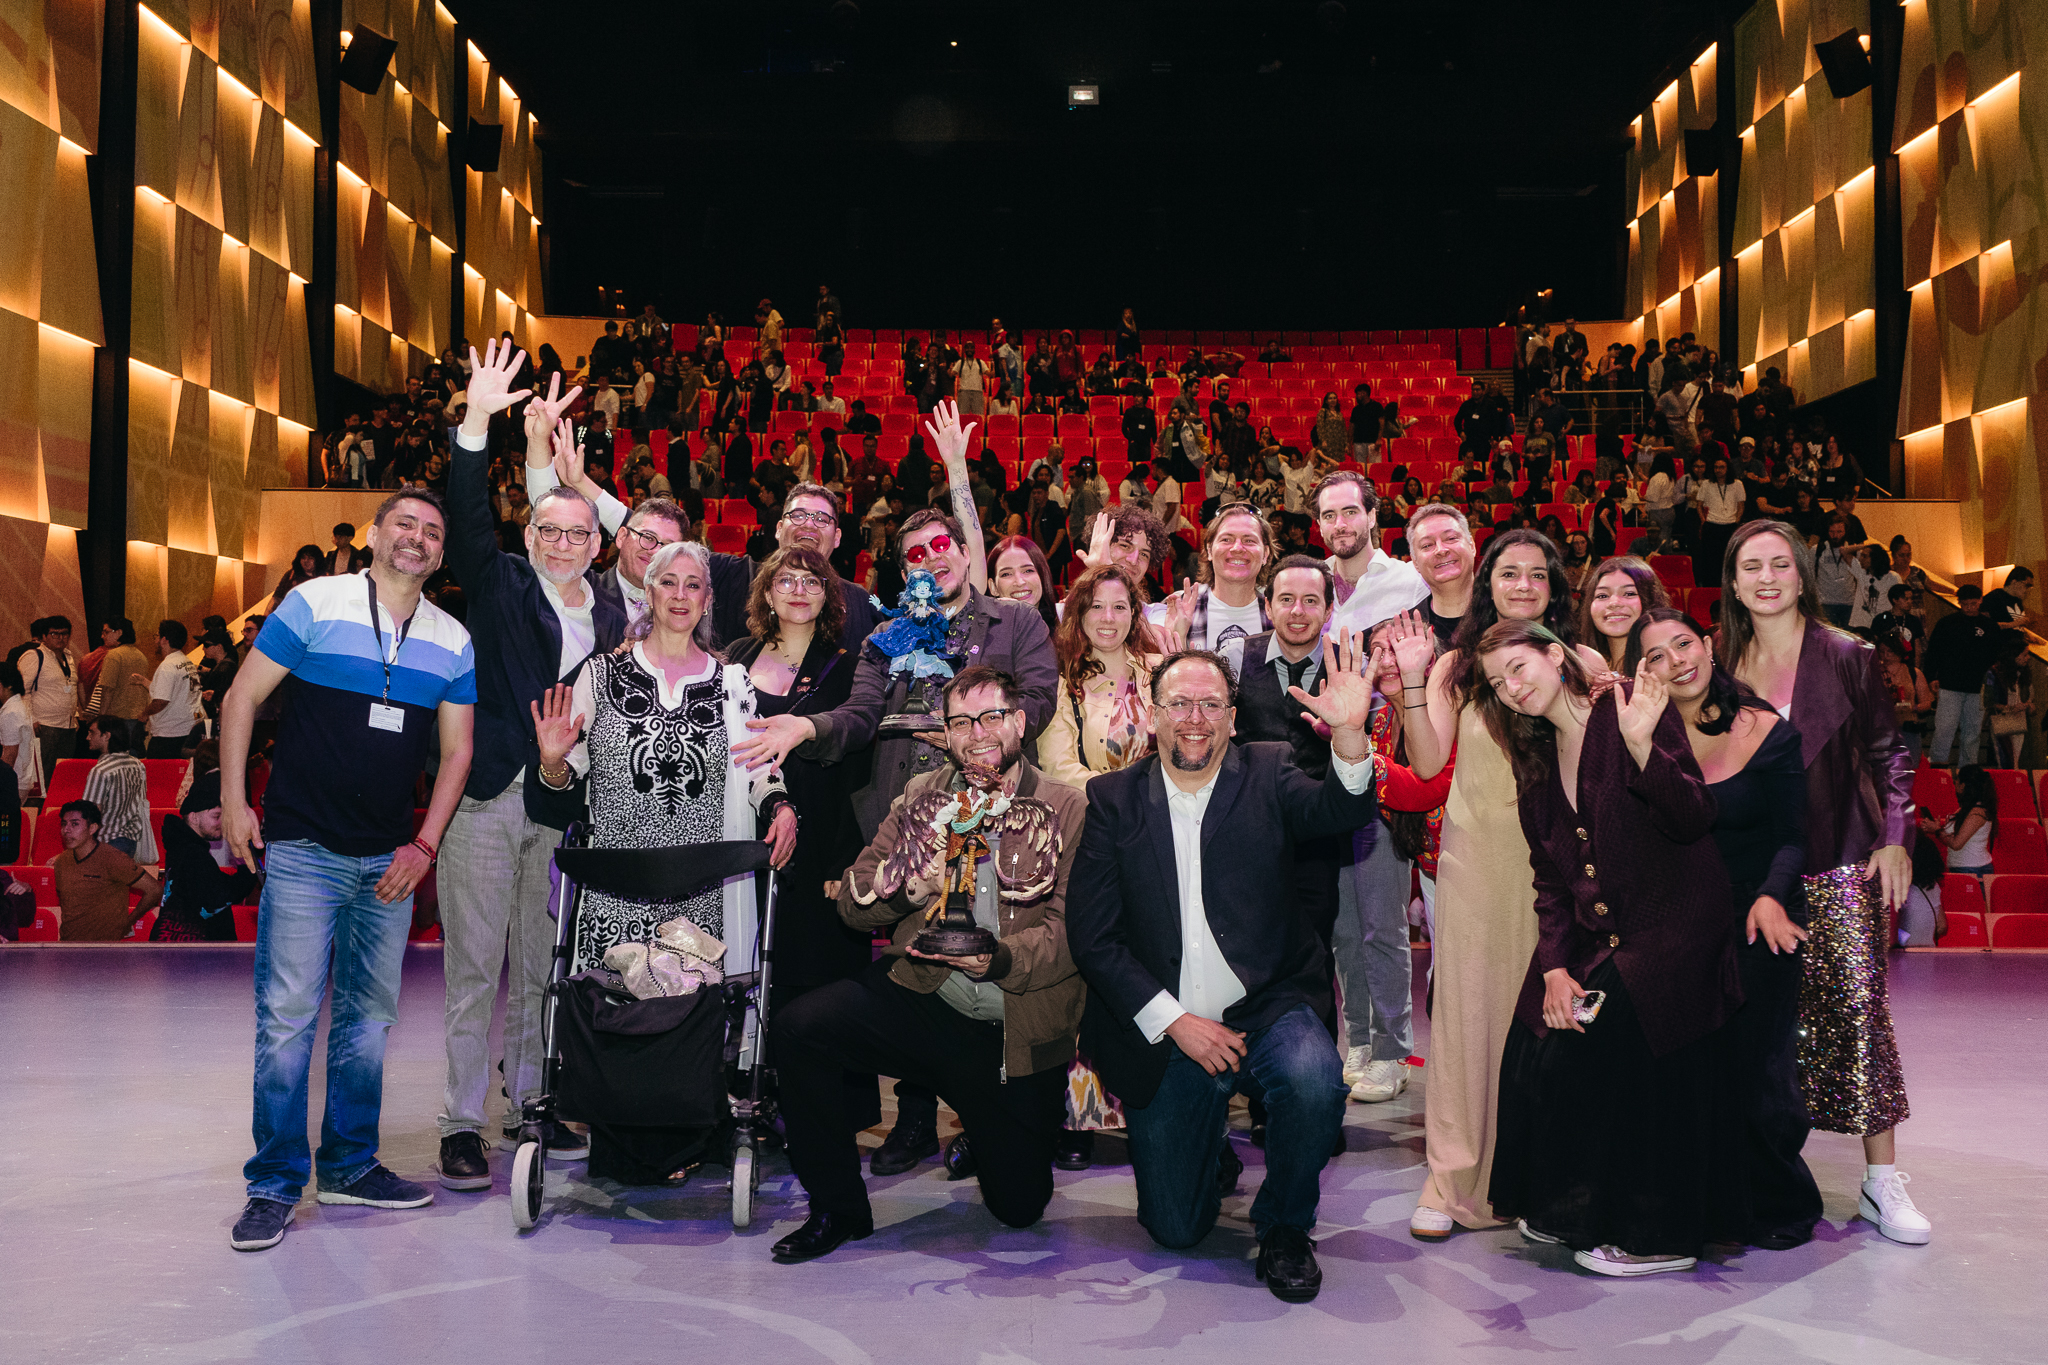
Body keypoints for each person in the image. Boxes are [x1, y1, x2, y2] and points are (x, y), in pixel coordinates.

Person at [729, 505, 1058, 1173]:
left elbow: (1040, 700)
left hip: (994, 824)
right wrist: (804, 729)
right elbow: (857, 715)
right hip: (902, 823)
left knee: (987, 970)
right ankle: (913, 1118)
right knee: (916, 970)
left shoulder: (1014, 621)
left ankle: (993, 1117)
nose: (931, 559)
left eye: (942, 545)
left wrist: (973, 728)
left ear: (965, 552)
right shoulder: (883, 636)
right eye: (915, 553)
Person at [1066, 643, 1379, 1303]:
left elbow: (1339, 811)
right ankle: (1206, 1148)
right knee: (1176, 1228)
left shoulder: (1269, 771)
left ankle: (1287, 1225)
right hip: (1171, 1027)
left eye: (1212, 703)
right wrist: (1176, 1022)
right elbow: (1094, 938)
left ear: (1234, 718)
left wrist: (1350, 734)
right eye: (1179, 702)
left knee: (1315, 1082)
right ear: (1152, 715)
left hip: (1268, 1005)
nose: (1195, 717)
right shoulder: (1113, 799)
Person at [218, 484, 477, 1252]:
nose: (419, 538)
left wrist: (423, 844)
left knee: (369, 1023)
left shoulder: (452, 639)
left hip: (389, 861)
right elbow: (239, 699)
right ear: (374, 533)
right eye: (406, 523)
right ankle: (271, 1182)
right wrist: (236, 800)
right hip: (302, 849)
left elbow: (458, 750)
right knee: (288, 1022)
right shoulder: (315, 602)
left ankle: (350, 1165)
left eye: (433, 530)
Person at [767, 666, 1087, 1263]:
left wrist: (999, 959)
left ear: (1019, 722)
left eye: (991, 717)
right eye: (960, 722)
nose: (977, 734)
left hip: (1011, 1031)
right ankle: (837, 1208)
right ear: (945, 732)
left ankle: (983, 1134)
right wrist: (912, 887)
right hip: (923, 995)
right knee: (799, 1026)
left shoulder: (1067, 808)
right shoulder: (921, 795)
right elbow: (856, 899)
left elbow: (1076, 935)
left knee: (1019, 1207)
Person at [1475, 620, 1742, 1275]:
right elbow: (1550, 876)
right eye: (1496, 683)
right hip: (1611, 935)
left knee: (1615, 1026)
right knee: (1537, 1027)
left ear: (1553, 653)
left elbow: (1693, 816)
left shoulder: (1623, 709)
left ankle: (1660, 1235)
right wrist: (1556, 967)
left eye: (1518, 668)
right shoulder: (1535, 756)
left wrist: (1645, 744)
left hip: (1680, 927)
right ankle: (1571, 1204)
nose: (1511, 689)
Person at [528, 538, 795, 1178]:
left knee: (686, 1013)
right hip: (617, 882)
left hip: (696, 885)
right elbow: (565, 785)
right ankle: (618, 1143)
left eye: (693, 585)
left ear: (708, 598)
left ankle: (684, 1145)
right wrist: (554, 760)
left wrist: (782, 807)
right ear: (647, 592)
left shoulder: (731, 681)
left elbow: (758, 767)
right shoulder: (599, 674)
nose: (680, 595)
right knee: (617, 1007)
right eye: (668, 583)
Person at [1385, 528, 1606, 1241]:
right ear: (1488, 583)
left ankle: (1541, 1179)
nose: (1521, 584)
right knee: (1467, 1024)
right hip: (1478, 865)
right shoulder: (1456, 665)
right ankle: (1450, 1177)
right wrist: (1414, 684)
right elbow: (1425, 765)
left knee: (1555, 1028)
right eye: (1508, 573)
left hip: (1565, 871)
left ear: (1553, 587)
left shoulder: (1583, 660)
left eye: (1536, 575)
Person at [1720, 520, 1930, 1245]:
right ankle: (1754, 1166)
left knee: (1858, 1015)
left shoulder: (1848, 654)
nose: (1769, 576)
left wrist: (1896, 840)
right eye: (1753, 566)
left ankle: (1881, 1182)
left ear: (1803, 576)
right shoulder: (1721, 659)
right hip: (1752, 869)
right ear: (1735, 580)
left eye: (1782, 563)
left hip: (1839, 854)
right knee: (1755, 1028)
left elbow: (1889, 754)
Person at [1629, 607, 1822, 1249]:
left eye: (1683, 644)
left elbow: (1794, 838)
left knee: (1758, 1072)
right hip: (1677, 918)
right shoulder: (1640, 734)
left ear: (1708, 644)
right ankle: (1698, 1202)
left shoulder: (1767, 729)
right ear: (1643, 671)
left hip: (1754, 915)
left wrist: (1771, 897)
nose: (1676, 660)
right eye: (1656, 655)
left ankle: (1774, 1203)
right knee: (1686, 1071)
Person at [720, 546, 873, 1020]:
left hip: (818, 844)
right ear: (767, 593)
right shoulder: (735, 657)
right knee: (740, 977)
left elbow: (859, 771)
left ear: (829, 596)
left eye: (812, 582)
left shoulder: (850, 665)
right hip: (744, 833)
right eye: (786, 581)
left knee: (811, 993)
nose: (799, 591)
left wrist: (845, 860)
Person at [1311, 471, 1429, 640]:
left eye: (1350, 512)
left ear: (1371, 517)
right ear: (1320, 526)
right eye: (1329, 516)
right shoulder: (1309, 583)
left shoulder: (1412, 580)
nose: (1339, 525)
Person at [147, 769, 259, 942]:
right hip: (198, 957)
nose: (222, 822)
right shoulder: (193, 854)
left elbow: (205, 886)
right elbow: (220, 895)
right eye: (217, 816)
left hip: (182, 952)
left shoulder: (180, 846)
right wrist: (247, 867)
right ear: (193, 817)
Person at [1147, 504, 1274, 652]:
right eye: (1226, 539)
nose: (1237, 548)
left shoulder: (1281, 610)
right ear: (1209, 550)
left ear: (1265, 554)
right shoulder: (1177, 606)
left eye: (1249, 540)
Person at [51, 799, 162, 940]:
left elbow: (155, 890)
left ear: (92, 828)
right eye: (64, 824)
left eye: (74, 824)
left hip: (105, 950)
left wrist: (129, 922)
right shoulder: (61, 861)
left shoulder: (113, 858)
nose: (66, 830)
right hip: (69, 946)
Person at [1924, 585, 1997, 768]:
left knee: (1973, 734)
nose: (1970, 608)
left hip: (1977, 687)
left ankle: (1968, 772)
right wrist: (1932, 677)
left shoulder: (1990, 626)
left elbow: (1995, 657)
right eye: (1965, 605)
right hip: (1950, 685)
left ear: (1980, 600)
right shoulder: (1947, 623)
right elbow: (1933, 652)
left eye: (1974, 603)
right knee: (1944, 730)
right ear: (1959, 603)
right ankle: (1938, 770)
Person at [80, 716, 154, 861]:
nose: (87, 737)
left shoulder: (101, 770)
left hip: (106, 841)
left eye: (92, 732)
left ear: (106, 735)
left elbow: (91, 813)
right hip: (131, 841)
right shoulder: (138, 765)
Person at [1405, 504, 1479, 647]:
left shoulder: (1508, 614)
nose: (1441, 550)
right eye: (1427, 545)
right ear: (1415, 563)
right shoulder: (1404, 633)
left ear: (1472, 546)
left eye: (1451, 538)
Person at [1577, 557, 1670, 670]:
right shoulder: (1580, 669)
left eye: (1629, 593)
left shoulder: (1669, 666)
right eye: (1602, 596)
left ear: (1650, 599)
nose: (1614, 603)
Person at [22, 616, 80, 780]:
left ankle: (56, 805)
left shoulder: (69, 657)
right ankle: (39, 806)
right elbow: (22, 691)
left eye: (65, 634)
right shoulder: (34, 656)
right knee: (42, 776)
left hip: (68, 726)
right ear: (44, 636)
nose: (60, 638)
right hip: (44, 725)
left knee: (62, 776)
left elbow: (72, 688)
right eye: (55, 634)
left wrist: (75, 717)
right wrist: (30, 719)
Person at [1924, 764, 1997, 876]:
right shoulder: (1966, 809)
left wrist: (1937, 830)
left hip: (1973, 869)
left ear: (1963, 785)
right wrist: (1939, 828)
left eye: (1957, 780)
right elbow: (1957, 836)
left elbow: (1956, 844)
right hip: (1964, 867)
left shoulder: (1977, 813)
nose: (1955, 783)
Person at [142, 621, 201, 758]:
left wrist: (144, 714)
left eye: (157, 636)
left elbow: (161, 701)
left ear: (164, 640)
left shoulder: (167, 666)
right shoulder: (187, 662)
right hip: (187, 729)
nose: (155, 640)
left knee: (159, 776)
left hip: (168, 734)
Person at [988, 534, 1060, 636]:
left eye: (1028, 571)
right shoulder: (982, 640)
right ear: (993, 587)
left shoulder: (1068, 629)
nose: (1019, 582)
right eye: (1006, 574)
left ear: (1042, 576)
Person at [0, 662, 33, 801]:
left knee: (5, 823)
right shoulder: (17, 706)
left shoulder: (11, 712)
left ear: (8, 685)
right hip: (18, 779)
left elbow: (9, 754)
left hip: (12, 781)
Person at [270, 545, 327, 609]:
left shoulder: (324, 578)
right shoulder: (291, 575)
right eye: (303, 558)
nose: (306, 561)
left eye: (310, 558)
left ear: (317, 560)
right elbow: (277, 596)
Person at [1980, 566, 2033, 632]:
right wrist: (2014, 624)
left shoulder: (2017, 599)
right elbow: (1983, 624)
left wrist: (2027, 635)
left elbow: (2016, 627)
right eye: (2027, 585)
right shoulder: (1993, 597)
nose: (2028, 590)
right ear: (2014, 583)